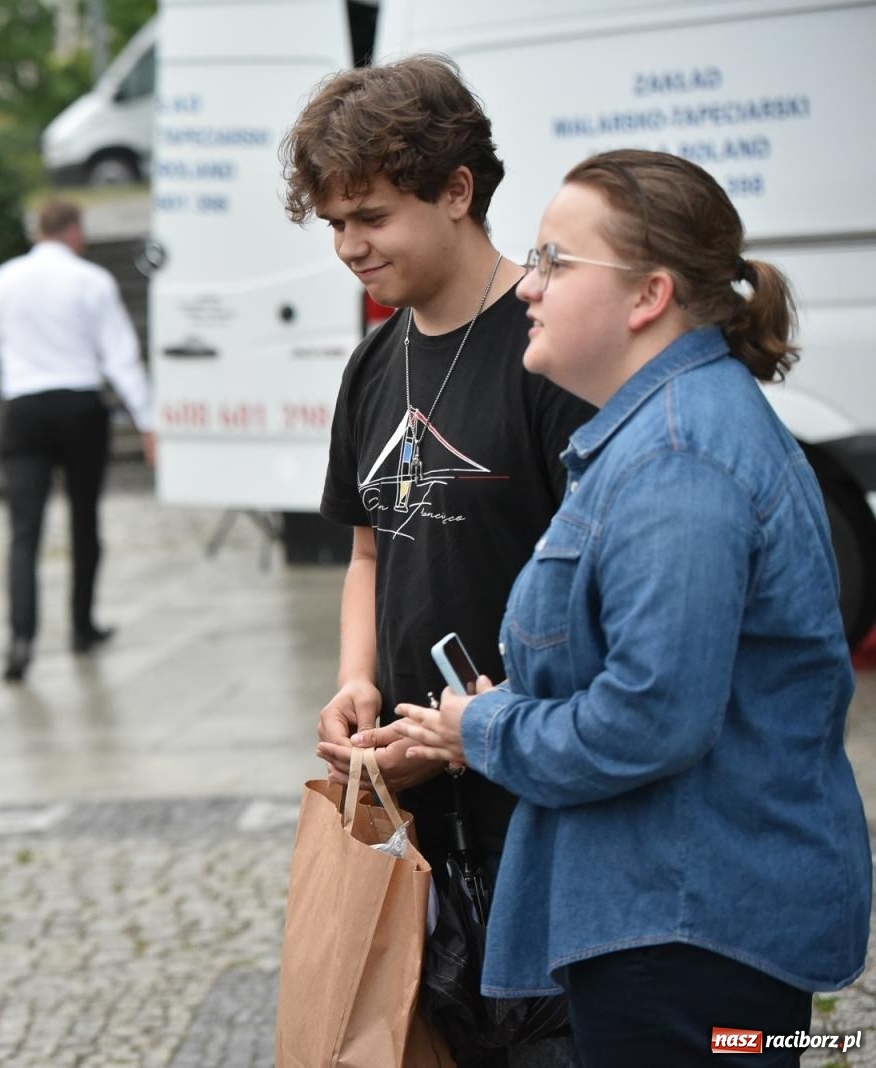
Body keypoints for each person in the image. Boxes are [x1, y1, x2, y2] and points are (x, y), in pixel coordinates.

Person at [368, 149, 872, 1066]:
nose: (530, 285)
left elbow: (648, 722)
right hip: (680, 923)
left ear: (648, 297)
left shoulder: (679, 458)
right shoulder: (660, 431)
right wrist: (483, 715)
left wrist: (487, 728)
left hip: (690, 940)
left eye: (557, 261)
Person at [281, 55, 594, 1065]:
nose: (348, 247)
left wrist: (480, 730)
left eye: (368, 216)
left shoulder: (548, 353)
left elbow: (603, 600)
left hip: (547, 821)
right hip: (420, 830)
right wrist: (354, 679)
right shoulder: (373, 363)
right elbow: (368, 552)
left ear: (456, 190)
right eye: (332, 224)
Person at [0, 200, 156, 682]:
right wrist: (148, 421)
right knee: (84, 519)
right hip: (80, 406)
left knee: (24, 533)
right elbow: (121, 358)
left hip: (24, 409)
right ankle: (81, 627)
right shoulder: (92, 280)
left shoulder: (3, 280)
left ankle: (21, 637)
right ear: (72, 230)